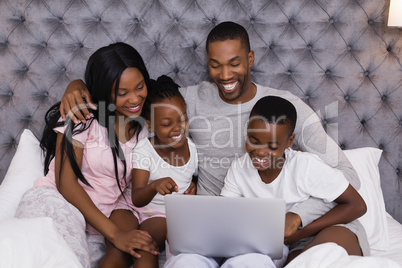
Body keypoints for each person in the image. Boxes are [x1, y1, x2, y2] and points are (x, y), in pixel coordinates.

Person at [58, 21, 361, 266]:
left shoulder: (284, 107)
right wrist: (79, 85)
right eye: (216, 65)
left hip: (287, 232)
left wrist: (296, 217)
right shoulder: (189, 100)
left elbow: (347, 176)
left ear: (251, 59)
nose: (225, 75)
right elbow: (138, 95)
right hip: (208, 232)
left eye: (234, 63)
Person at [14, 42, 160, 268]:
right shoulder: (83, 116)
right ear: (104, 92)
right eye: (122, 93)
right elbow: (66, 182)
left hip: (96, 226)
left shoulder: (143, 129)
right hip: (56, 204)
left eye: (139, 87)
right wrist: (115, 234)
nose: (134, 99)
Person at [220, 96, 369, 266]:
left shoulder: (305, 165)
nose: (261, 152)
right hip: (283, 243)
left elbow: (357, 205)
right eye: (254, 141)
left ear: (289, 141)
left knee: (319, 260)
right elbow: (225, 216)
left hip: (329, 227)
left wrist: (302, 232)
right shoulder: (238, 170)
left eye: (273, 146)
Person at [102, 75, 198, 268]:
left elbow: (190, 176)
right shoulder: (145, 149)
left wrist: (192, 187)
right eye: (166, 124)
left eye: (183, 119)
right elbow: (137, 197)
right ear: (151, 125)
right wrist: (154, 185)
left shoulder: (192, 150)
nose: (177, 128)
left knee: (145, 248)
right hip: (130, 205)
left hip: (161, 214)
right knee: (118, 249)